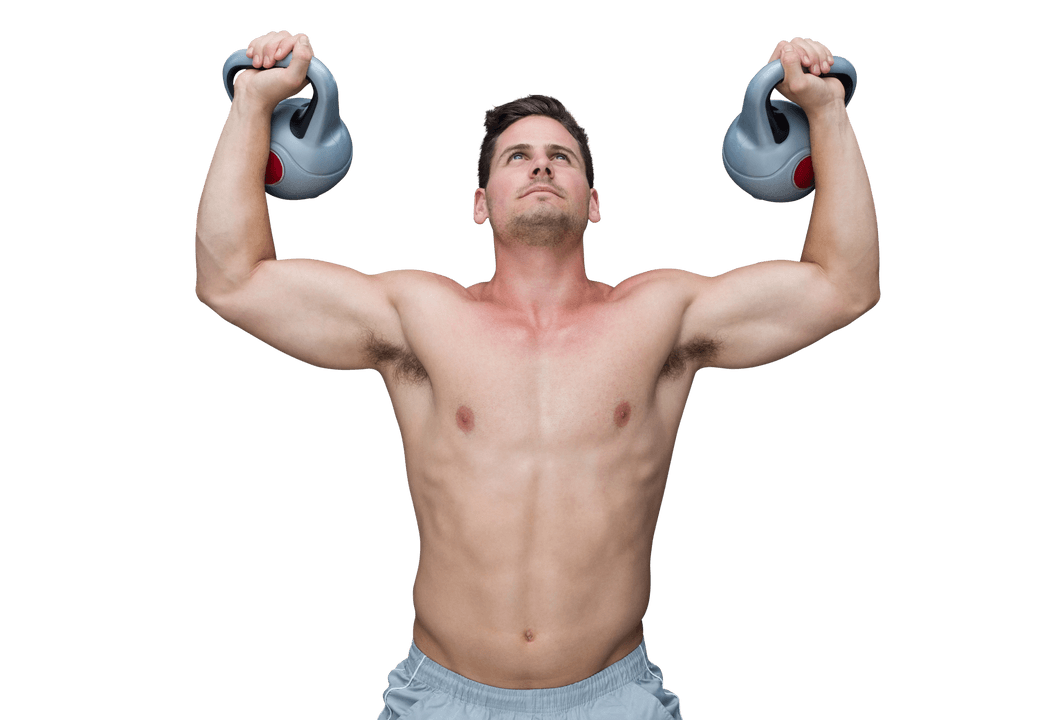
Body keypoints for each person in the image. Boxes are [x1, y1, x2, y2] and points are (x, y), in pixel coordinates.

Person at [194, 29, 879, 720]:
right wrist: (254, 103)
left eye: (561, 157)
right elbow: (233, 280)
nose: (541, 168)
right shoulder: (422, 316)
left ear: (595, 200)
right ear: (481, 202)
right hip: (443, 698)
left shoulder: (659, 315)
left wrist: (824, 109)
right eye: (517, 157)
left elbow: (844, 283)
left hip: (613, 699)